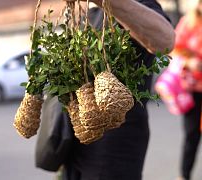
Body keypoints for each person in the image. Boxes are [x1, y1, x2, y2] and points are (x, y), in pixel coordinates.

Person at [61, 0, 175, 180]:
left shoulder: (140, 5)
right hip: (77, 140)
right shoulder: (84, 14)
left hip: (115, 149)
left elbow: (166, 41)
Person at [171, 1, 202, 180]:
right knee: (192, 135)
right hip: (192, 88)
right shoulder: (188, 22)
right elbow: (173, 47)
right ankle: (184, 176)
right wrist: (190, 62)